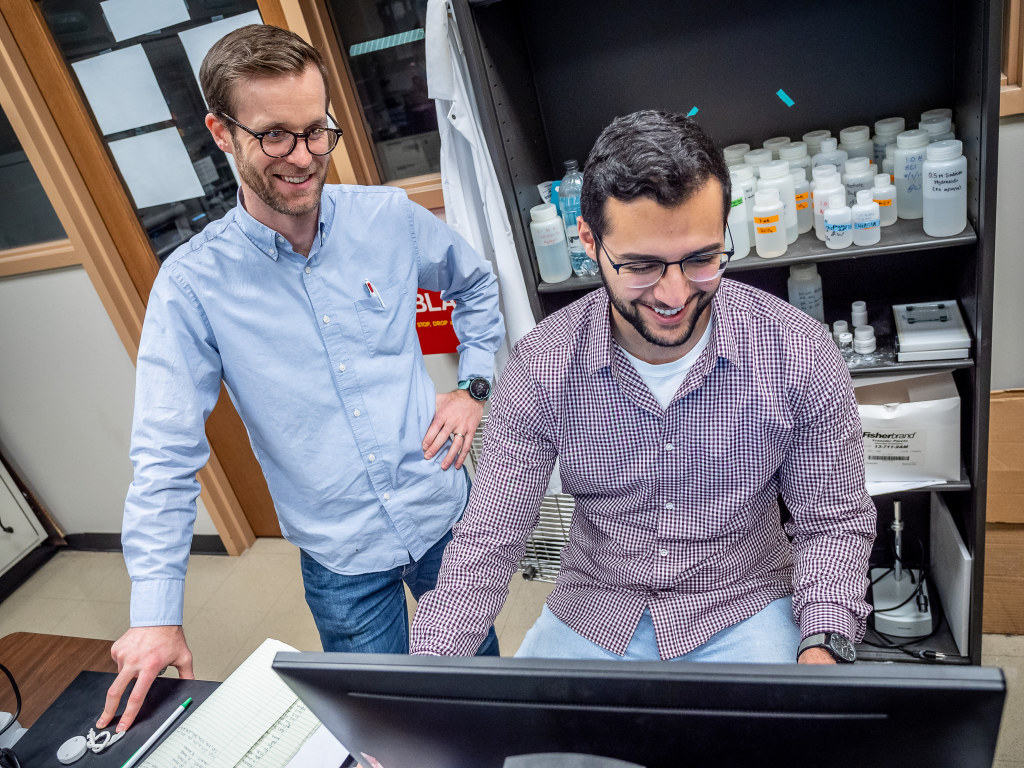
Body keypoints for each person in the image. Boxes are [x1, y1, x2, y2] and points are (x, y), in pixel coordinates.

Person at [97, 24, 504, 733]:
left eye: (318, 131)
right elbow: (165, 454)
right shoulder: (192, 286)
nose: (305, 157)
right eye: (275, 136)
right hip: (342, 557)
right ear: (221, 133)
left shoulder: (387, 218)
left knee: (482, 698)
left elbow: (476, 287)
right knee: (385, 732)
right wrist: (154, 616)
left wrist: (473, 389)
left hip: (441, 510)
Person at [410, 110, 876, 665]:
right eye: (641, 266)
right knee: (538, 750)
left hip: (742, 602)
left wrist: (822, 647)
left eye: (701, 259)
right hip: (596, 608)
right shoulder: (543, 365)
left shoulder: (796, 351)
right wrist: (427, 678)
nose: (675, 294)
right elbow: (489, 538)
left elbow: (835, 522)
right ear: (588, 239)